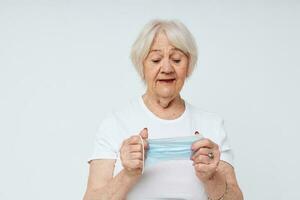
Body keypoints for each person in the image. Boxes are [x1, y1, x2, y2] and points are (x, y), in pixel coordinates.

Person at [83, 19, 243, 200]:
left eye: (176, 59)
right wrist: (127, 174)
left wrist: (211, 178)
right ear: (141, 65)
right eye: (156, 59)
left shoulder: (211, 125)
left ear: (188, 66)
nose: (167, 68)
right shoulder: (115, 124)